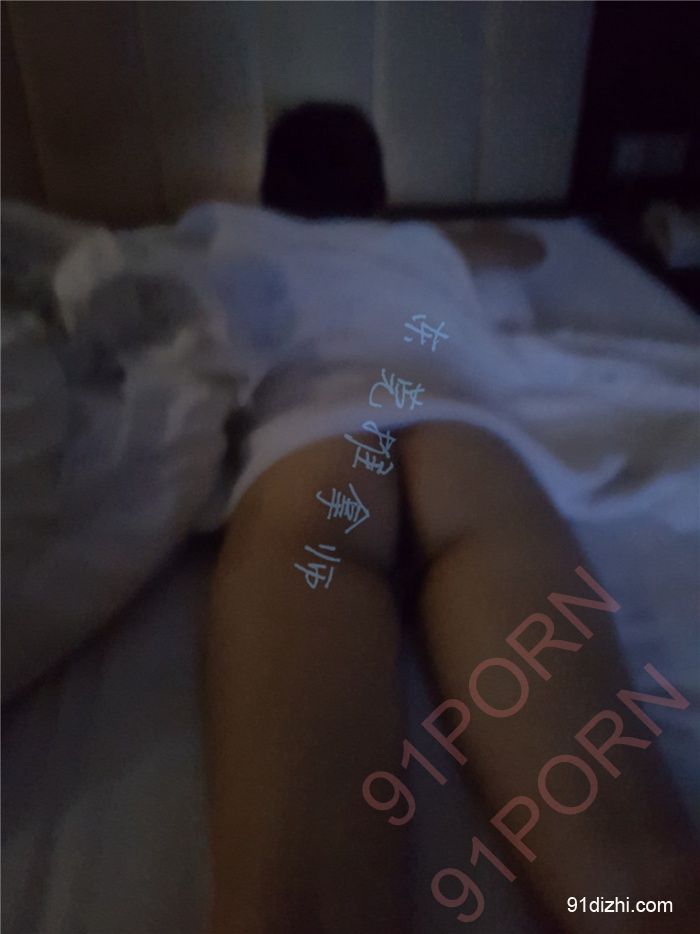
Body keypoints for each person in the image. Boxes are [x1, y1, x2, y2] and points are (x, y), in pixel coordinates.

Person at [205, 103, 698, 933]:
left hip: (319, 437)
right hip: (453, 425)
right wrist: (428, 237)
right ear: (378, 193)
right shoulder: (428, 245)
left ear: (268, 191)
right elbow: (529, 247)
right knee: (639, 883)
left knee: (296, 909)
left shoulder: (233, 238)